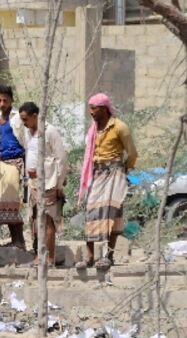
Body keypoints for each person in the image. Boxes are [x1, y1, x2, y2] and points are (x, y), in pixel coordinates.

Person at [78, 93, 138, 271]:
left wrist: (124, 169)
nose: (91, 112)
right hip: (96, 174)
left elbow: (132, 153)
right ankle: (89, 256)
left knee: (113, 214)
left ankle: (108, 256)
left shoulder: (120, 127)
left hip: (114, 174)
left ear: (104, 109)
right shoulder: (93, 129)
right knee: (91, 213)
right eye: (90, 108)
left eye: (94, 108)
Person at [19, 101, 69, 267]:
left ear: (35, 116)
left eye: (26, 119)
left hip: (48, 183)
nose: (24, 123)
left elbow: (61, 158)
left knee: (48, 220)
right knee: (35, 219)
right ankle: (39, 256)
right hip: (33, 183)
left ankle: (49, 258)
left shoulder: (50, 131)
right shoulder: (28, 133)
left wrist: (59, 184)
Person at [0, 85, 30, 251]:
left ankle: (20, 240)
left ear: (11, 100)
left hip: (16, 163)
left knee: (14, 203)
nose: (2, 104)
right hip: (1, 165)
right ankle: (14, 239)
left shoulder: (17, 118)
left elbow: (26, 141)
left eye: (5, 100)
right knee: (3, 205)